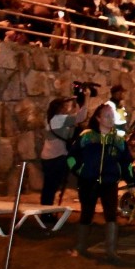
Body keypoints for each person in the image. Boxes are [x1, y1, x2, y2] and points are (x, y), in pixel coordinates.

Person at [67, 103, 134, 263]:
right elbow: (71, 156)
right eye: (107, 116)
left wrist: (130, 180)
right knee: (86, 213)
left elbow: (126, 162)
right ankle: (81, 246)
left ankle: (111, 251)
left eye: (112, 116)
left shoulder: (118, 140)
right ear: (98, 118)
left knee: (111, 215)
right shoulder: (87, 136)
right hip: (88, 180)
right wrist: (79, 170)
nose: (111, 119)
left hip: (109, 181)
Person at [40, 88, 91, 226]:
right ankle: (46, 214)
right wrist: (86, 98)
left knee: (49, 187)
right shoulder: (59, 119)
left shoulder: (52, 119)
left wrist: (77, 104)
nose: (66, 108)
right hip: (56, 157)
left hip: (49, 156)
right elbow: (81, 117)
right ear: (59, 108)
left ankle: (46, 212)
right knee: (51, 186)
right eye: (64, 106)